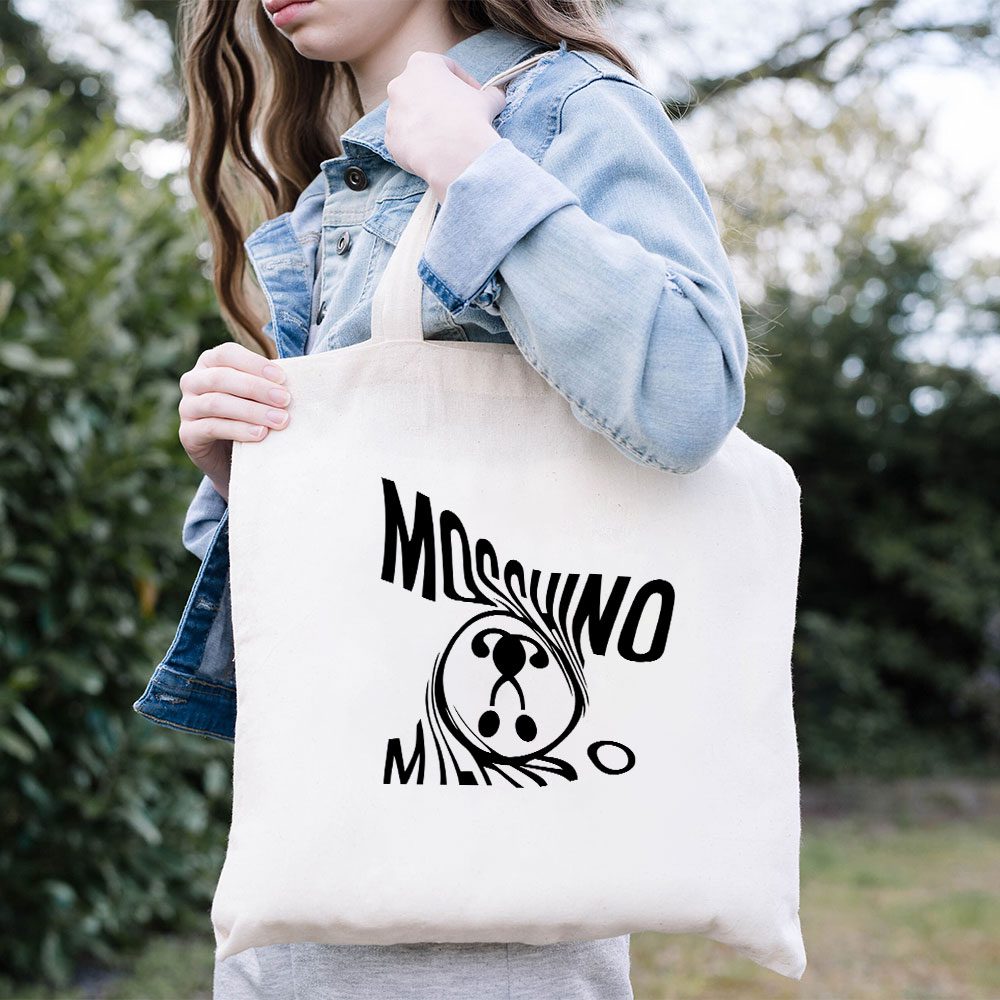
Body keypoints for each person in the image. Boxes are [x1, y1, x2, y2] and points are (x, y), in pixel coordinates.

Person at [132, 0, 750, 996]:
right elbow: (351, 569)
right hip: (299, 891)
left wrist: (476, 170)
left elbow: (689, 393)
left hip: (488, 916)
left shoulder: (564, 111)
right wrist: (242, 472)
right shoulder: (338, 188)